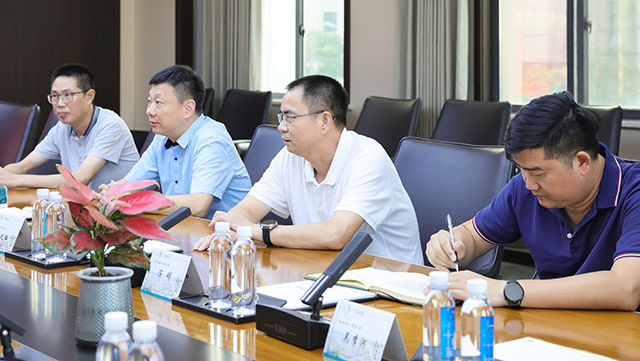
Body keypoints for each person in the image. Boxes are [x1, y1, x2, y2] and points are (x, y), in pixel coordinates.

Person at [426, 92, 640, 311]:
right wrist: (452, 244)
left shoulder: (634, 191)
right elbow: (472, 236)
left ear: (582, 162)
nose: (529, 184)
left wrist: (507, 291)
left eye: (538, 173)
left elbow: (626, 288)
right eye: (522, 169)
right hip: (543, 323)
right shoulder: (525, 187)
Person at [193, 75, 423, 265]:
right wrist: (231, 231)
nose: (281, 127)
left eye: (290, 117)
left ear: (324, 120)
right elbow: (245, 211)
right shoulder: (290, 156)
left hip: (387, 285)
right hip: (322, 270)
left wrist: (258, 232)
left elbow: (336, 234)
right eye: (281, 117)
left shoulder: (368, 158)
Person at [120, 65, 251, 218]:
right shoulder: (162, 138)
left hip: (224, 231)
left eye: (158, 103)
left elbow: (198, 205)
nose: (149, 110)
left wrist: (140, 203)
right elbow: (129, 186)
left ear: (188, 108)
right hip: (180, 227)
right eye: (149, 101)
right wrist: (108, 193)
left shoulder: (211, 139)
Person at [0, 63, 139, 191]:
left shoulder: (111, 125)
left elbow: (81, 179)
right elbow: (24, 166)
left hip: (122, 206)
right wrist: (4, 175)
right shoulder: (62, 128)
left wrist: (16, 180)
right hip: (84, 204)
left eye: (67, 95)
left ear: (89, 96)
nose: (60, 103)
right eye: (55, 96)